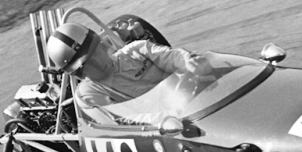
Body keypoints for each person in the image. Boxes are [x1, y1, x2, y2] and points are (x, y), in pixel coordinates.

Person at [46, 21, 208, 124]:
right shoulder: (88, 93)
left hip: (190, 106)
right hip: (163, 132)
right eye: (87, 64)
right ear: (78, 74)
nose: (97, 62)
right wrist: (170, 115)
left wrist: (189, 61)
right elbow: (123, 122)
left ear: (102, 46)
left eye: (95, 53)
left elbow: (172, 57)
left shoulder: (137, 50)